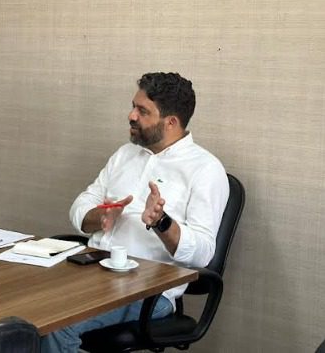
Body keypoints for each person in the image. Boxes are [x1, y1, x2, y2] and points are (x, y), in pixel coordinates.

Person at [41, 72, 229, 352]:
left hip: (148, 291)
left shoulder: (205, 170)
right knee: (20, 308)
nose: (131, 116)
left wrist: (162, 222)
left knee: (56, 325)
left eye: (142, 111)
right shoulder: (124, 155)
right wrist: (100, 216)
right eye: (133, 107)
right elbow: (81, 205)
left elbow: (203, 254)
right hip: (91, 273)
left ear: (171, 122)